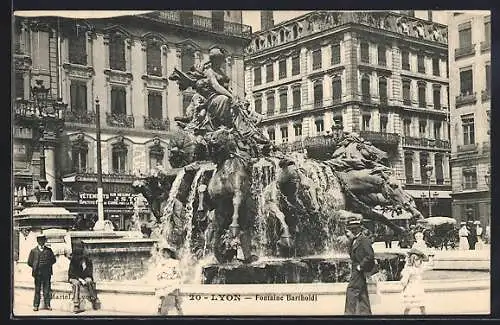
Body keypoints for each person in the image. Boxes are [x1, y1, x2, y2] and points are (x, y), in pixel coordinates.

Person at [344, 219, 375, 315]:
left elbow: (370, 255)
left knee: (351, 291)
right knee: (362, 293)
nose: (347, 233)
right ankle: (366, 314)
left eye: (348, 231)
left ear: (355, 230)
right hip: (356, 269)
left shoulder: (364, 240)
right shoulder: (353, 240)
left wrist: (360, 266)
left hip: (359, 270)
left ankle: (349, 314)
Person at [27, 234, 57, 311]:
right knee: (37, 289)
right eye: (40, 240)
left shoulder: (49, 250)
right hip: (37, 274)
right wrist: (35, 267)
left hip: (47, 273)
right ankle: (36, 305)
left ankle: (47, 305)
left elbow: (54, 260)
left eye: (43, 240)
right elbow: (29, 262)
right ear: (37, 241)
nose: (41, 242)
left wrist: (47, 265)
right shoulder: (33, 251)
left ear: (44, 241)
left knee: (46, 289)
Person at [400, 248, 433, 315]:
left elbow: (430, 266)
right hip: (411, 289)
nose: (419, 262)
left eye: (419, 260)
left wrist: (431, 257)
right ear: (412, 261)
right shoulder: (409, 269)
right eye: (417, 260)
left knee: (422, 306)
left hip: (418, 288)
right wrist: (404, 285)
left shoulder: (419, 268)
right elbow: (404, 280)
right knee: (408, 306)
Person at [68, 247, 101, 313]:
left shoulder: (88, 261)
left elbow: (89, 273)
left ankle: (94, 299)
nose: (83, 256)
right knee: (76, 284)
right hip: (74, 277)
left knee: (89, 281)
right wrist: (80, 279)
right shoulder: (74, 261)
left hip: (83, 278)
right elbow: (71, 273)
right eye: (82, 255)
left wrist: (87, 278)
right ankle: (76, 305)